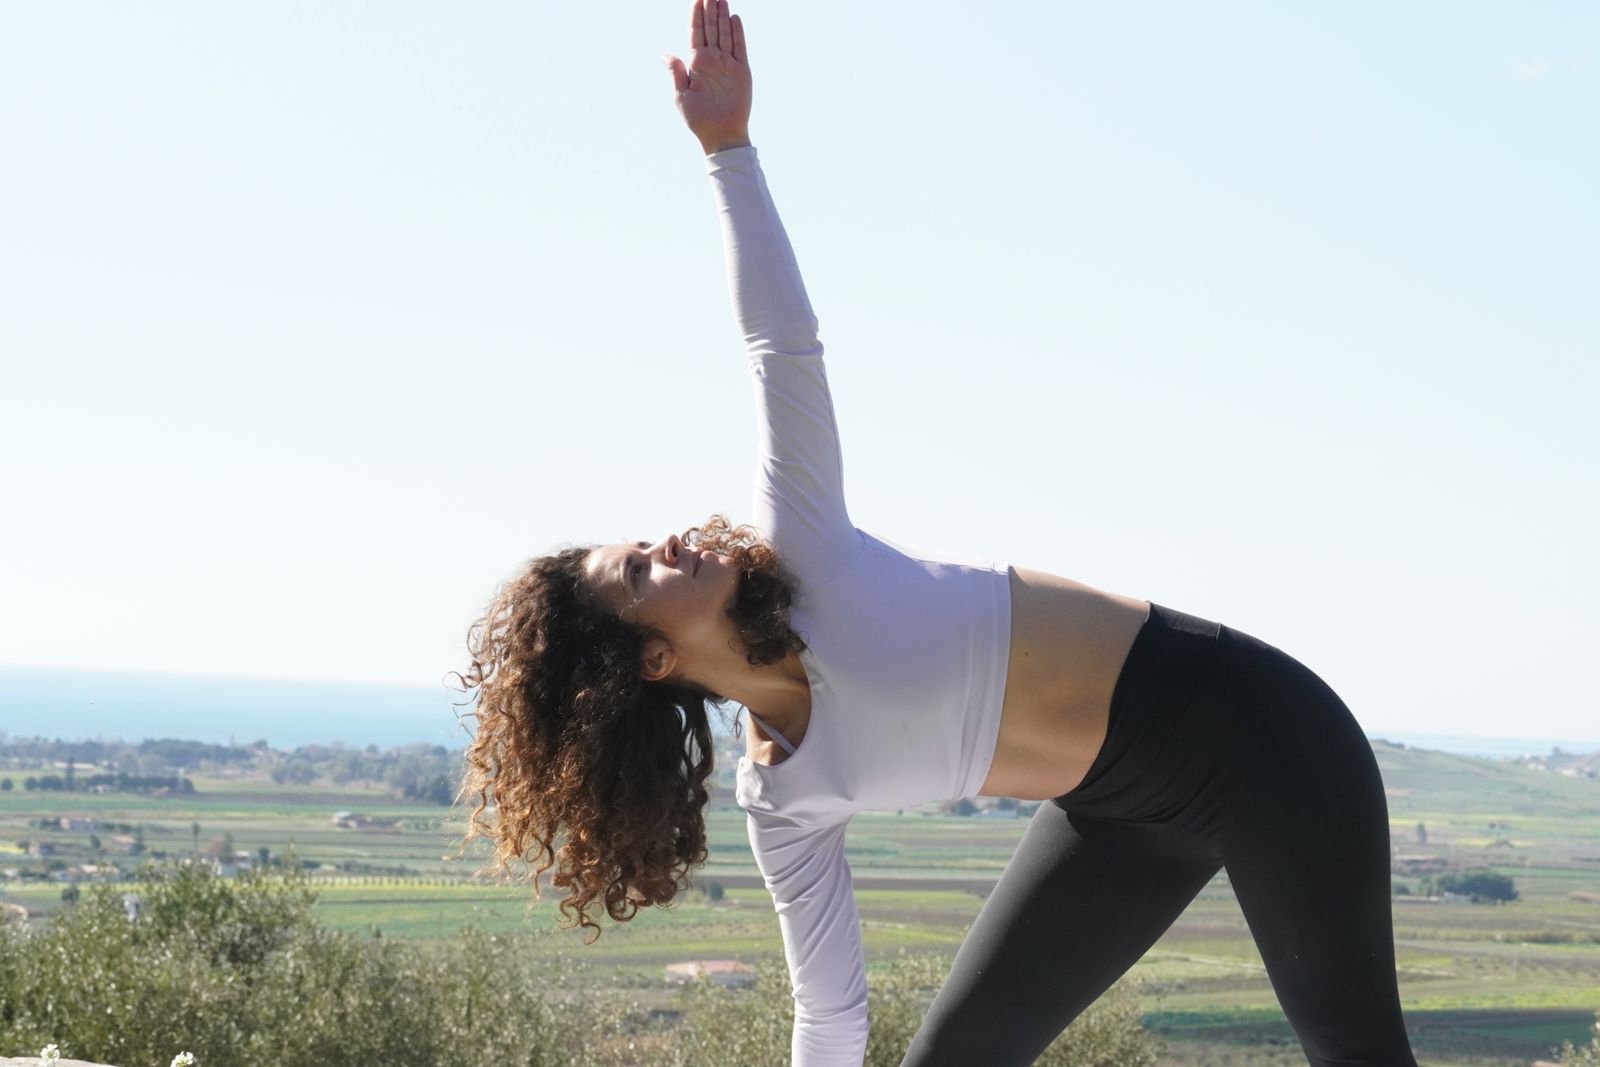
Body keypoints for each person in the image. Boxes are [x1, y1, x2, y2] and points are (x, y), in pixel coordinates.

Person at [452, 2, 1420, 1064]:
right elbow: (828, 1013)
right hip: (1119, 815)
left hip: (1262, 742)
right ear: (646, 654)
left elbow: (783, 346)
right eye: (639, 569)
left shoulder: (805, 546)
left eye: (647, 539)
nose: (669, 541)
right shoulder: (784, 797)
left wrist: (728, 150)